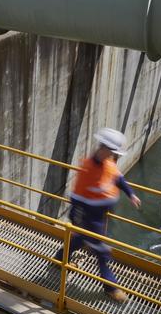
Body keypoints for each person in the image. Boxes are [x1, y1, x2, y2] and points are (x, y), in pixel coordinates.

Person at [54, 127, 141, 303]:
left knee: (79, 240)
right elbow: (76, 197)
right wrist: (75, 221)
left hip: (100, 216)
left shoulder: (108, 164)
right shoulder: (88, 169)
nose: (112, 155)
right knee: (102, 252)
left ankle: (58, 259)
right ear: (104, 148)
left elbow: (119, 179)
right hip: (90, 218)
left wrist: (131, 194)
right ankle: (110, 288)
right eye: (111, 151)